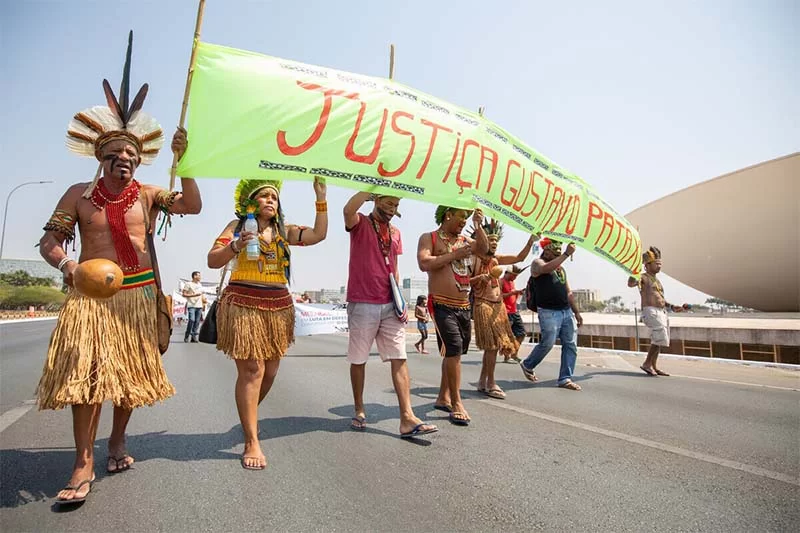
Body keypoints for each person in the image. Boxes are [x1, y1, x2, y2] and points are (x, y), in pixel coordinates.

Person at [36, 33, 202, 504]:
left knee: (129, 377)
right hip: (90, 297)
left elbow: (191, 202)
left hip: (139, 295)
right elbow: (50, 242)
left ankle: (117, 439)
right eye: (117, 155)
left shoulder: (149, 195)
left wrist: (182, 160)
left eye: (132, 155)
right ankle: (82, 461)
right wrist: (69, 265)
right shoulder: (78, 196)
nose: (126, 161)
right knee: (88, 377)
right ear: (101, 157)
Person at [207, 177, 328, 470]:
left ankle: (248, 415)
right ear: (250, 203)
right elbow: (212, 260)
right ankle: (251, 440)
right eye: (264, 196)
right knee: (252, 369)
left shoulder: (284, 232)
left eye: (274, 196)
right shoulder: (235, 228)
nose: (270, 201)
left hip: (277, 306)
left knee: (270, 371)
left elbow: (318, 235)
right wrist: (236, 245)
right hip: (243, 302)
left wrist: (320, 198)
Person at [343, 192, 437, 439]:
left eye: (396, 204)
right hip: (362, 301)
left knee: (399, 357)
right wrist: (367, 190)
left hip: (390, 304)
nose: (392, 208)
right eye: (388, 203)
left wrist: (400, 301)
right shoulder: (361, 222)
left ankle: (407, 417)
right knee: (359, 359)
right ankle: (359, 408)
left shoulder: (396, 233)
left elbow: (394, 266)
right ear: (376, 200)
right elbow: (347, 211)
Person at [417, 205, 488, 426]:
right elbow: (423, 263)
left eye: (467, 218)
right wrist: (453, 255)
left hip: (464, 305)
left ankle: (442, 397)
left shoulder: (466, 240)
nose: (463, 221)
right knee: (454, 349)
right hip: (441, 304)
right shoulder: (429, 237)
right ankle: (457, 403)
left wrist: (478, 225)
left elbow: (485, 250)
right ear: (448, 214)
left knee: (453, 353)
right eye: (461, 216)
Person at [470, 220, 536, 399]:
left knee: (490, 348)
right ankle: (490, 383)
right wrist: (482, 277)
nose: (493, 243)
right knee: (491, 346)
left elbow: (519, 258)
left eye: (495, 241)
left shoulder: (496, 259)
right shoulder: (473, 258)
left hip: (498, 306)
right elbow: (464, 281)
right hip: (483, 304)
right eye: (489, 240)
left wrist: (531, 241)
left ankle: (483, 382)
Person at [519, 238, 584, 391]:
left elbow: (569, 293)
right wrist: (567, 254)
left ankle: (565, 378)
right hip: (548, 312)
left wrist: (576, 312)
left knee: (570, 344)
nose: (557, 257)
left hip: (566, 311)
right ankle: (528, 364)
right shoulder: (537, 263)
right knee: (548, 343)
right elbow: (546, 268)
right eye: (555, 253)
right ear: (546, 250)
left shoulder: (561, 269)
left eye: (559, 254)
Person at [628, 246, 687, 376]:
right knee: (660, 336)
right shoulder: (643, 277)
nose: (659, 266)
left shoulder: (657, 281)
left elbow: (660, 298)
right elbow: (631, 283)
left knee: (660, 340)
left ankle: (653, 366)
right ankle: (647, 364)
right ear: (647, 265)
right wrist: (635, 271)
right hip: (651, 311)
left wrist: (672, 307)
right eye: (657, 264)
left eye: (660, 264)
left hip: (661, 312)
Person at [501, 265, 527, 363]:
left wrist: (518, 293)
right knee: (508, 336)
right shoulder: (501, 282)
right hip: (506, 312)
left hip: (514, 311)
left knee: (521, 333)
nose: (515, 278)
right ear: (507, 273)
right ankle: (507, 354)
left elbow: (512, 296)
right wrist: (513, 293)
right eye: (513, 275)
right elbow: (499, 296)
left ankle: (514, 353)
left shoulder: (512, 282)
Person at [182, 271, 204, 342]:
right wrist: (194, 295)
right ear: (194, 276)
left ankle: (193, 336)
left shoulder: (200, 285)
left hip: (199, 306)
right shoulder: (188, 284)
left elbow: (201, 295)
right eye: (199, 276)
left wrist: (203, 304)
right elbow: (184, 294)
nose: (200, 277)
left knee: (197, 322)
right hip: (191, 305)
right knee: (192, 320)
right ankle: (187, 335)